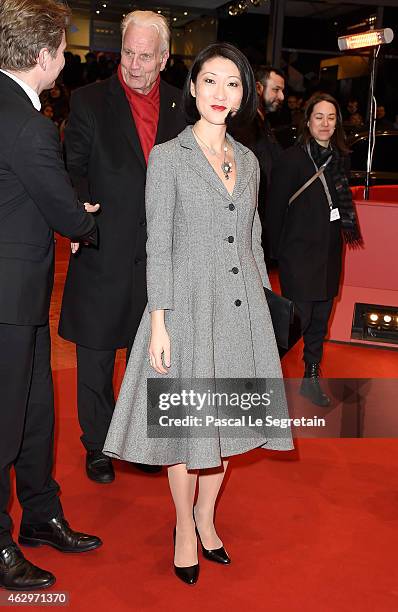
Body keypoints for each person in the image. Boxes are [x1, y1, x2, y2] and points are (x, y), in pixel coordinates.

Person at [103, 42, 293, 585]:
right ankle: (184, 528)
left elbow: (253, 239)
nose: (220, 93)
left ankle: (208, 520)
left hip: (241, 313)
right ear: (192, 88)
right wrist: (159, 320)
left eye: (232, 84)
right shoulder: (168, 158)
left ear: (243, 95)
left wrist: (264, 308)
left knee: (228, 428)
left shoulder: (250, 160)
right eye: (210, 81)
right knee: (189, 430)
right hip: (186, 309)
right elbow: (158, 244)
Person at [58, 10, 186, 484]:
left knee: (153, 358)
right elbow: (72, 167)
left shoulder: (181, 107)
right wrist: (77, 211)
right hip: (103, 249)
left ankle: (143, 442)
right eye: (127, 53)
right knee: (94, 357)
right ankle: (98, 444)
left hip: (160, 259)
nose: (133, 64)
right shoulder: (89, 101)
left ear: (165, 59)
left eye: (144, 56)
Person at [0, 0, 102, 592]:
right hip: (9, 306)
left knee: (37, 414)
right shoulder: (28, 126)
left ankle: (41, 515)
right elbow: (65, 210)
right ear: (43, 56)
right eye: (62, 51)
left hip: (24, 299)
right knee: (6, 423)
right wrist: (89, 222)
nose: (66, 60)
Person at [266, 93, 362, 407]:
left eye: (331, 117)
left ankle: (311, 379)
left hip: (329, 254)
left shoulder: (340, 158)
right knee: (297, 321)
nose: (325, 123)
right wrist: (272, 256)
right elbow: (275, 209)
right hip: (298, 256)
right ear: (307, 121)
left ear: (337, 123)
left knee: (320, 322)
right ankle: (262, 378)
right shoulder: (291, 159)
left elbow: (338, 205)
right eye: (318, 117)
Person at [231, 65, 285, 253]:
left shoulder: (263, 123)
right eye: (276, 90)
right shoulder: (244, 124)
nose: (282, 97)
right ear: (259, 88)